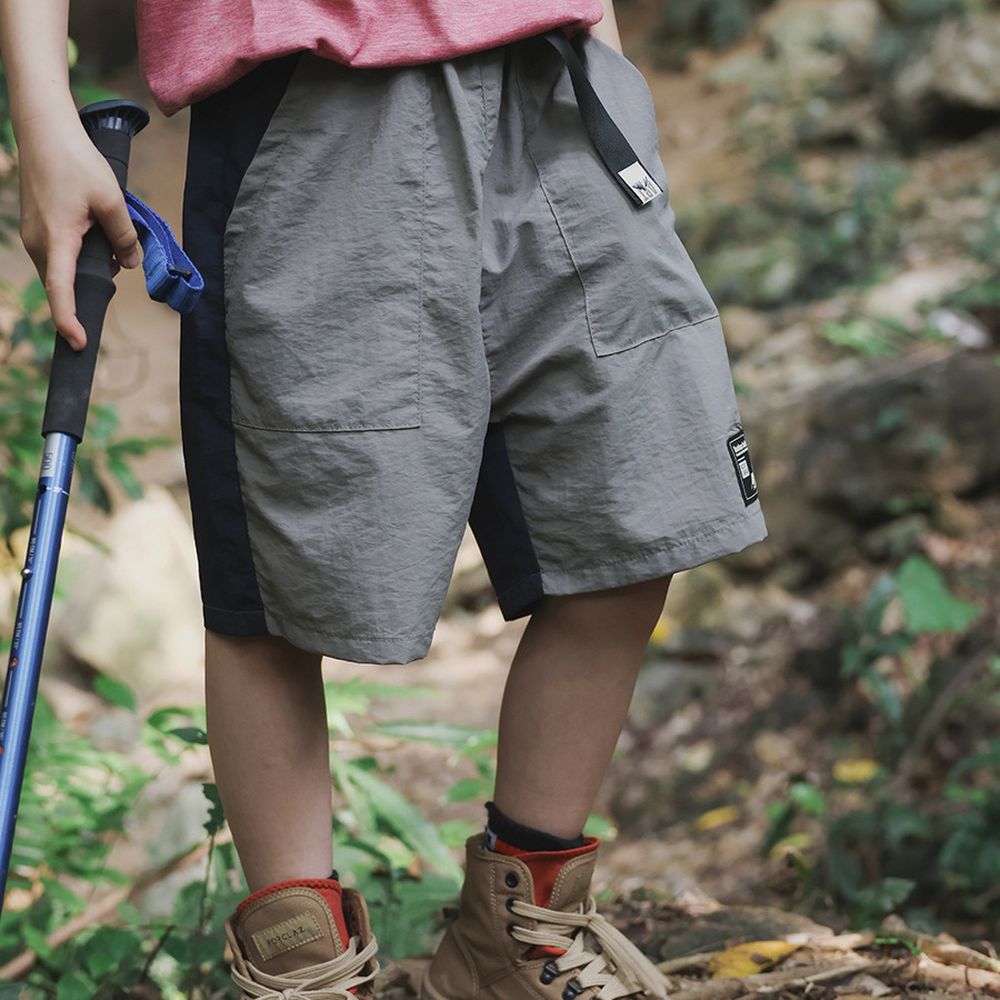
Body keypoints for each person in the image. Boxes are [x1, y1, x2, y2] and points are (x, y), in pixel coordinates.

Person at [0, 0, 768, 996]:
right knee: (278, 585)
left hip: (556, 72)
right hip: (315, 93)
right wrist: (42, 114)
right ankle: (306, 968)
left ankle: (513, 946)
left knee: (634, 506)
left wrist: (606, 53)